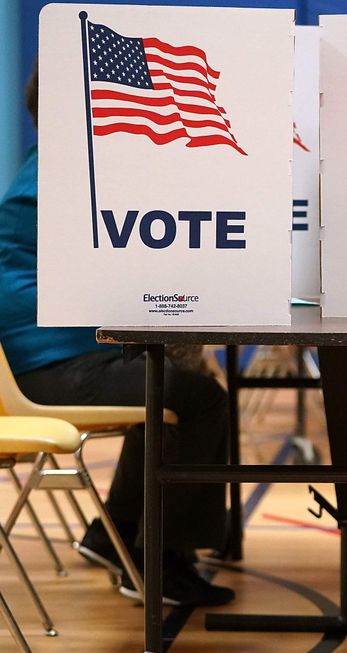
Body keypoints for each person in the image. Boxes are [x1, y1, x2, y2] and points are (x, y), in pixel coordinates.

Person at [0, 62, 234, 607]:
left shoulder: (54, 167)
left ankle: (117, 533)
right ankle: (162, 562)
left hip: (51, 356)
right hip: (46, 368)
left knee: (168, 382)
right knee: (195, 398)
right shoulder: (71, 176)